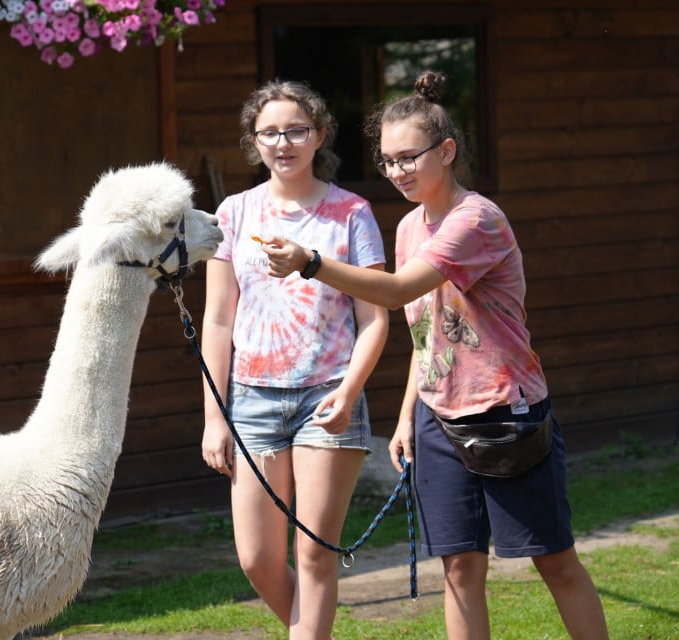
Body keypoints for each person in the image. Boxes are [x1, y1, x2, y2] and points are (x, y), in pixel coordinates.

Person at [261, 71, 609, 640]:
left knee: (555, 560)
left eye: (408, 157)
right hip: (435, 421)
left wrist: (311, 261)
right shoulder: (406, 226)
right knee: (458, 567)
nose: (397, 172)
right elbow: (426, 333)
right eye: (387, 161)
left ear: (445, 152)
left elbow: (397, 292)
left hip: (504, 414)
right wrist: (407, 417)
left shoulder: (478, 220)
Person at [200, 80, 390, 640]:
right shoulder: (233, 213)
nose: (283, 143)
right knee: (257, 560)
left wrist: (350, 393)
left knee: (313, 556)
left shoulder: (350, 213)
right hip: (252, 399)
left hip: (327, 396)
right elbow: (217, 320)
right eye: (270, 133)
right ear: (253, 141)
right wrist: (215, 415)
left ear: (319, 136)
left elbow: (375, 318)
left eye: (296, 131)